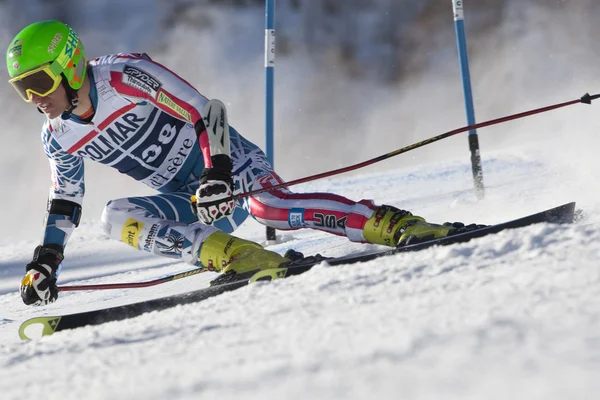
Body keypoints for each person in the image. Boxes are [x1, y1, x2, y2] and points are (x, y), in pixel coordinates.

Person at [7, 20, 468, 306]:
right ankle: (239, 257)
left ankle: (392, 225)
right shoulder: (58, 136)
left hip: (231, 167)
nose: (33, 98)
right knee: (116, 218)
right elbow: (66, 201)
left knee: (271, 208)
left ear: (68, 65)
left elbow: (207, 112)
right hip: (191, 202)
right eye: (20, 89)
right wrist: (46, 263)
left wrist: (217, 173)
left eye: (38, 82)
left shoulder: (124, 76)